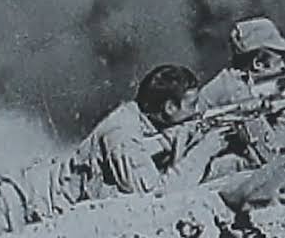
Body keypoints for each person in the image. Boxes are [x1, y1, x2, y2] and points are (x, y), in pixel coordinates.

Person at [80, 64, 199, 199]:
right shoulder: (122, 133)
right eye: (192, 105)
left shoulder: (142, 119)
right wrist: (201, 152)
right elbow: (153, 195)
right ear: (170, 108)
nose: (196, 111)